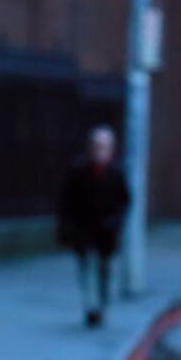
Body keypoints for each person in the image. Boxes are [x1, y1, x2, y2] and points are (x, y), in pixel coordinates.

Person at [57, 125, 130, 328]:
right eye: (97, 146)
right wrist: (67, 229)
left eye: (105, 147)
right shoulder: (78, 170)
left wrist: (115, 223)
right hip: (84, 231)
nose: (101, 152)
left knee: (104, 270)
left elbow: (124, 201)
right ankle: (92, 307)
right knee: (87, 268)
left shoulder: (116, 172)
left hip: (107, 233)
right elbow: (66, 201)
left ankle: (101, 305)